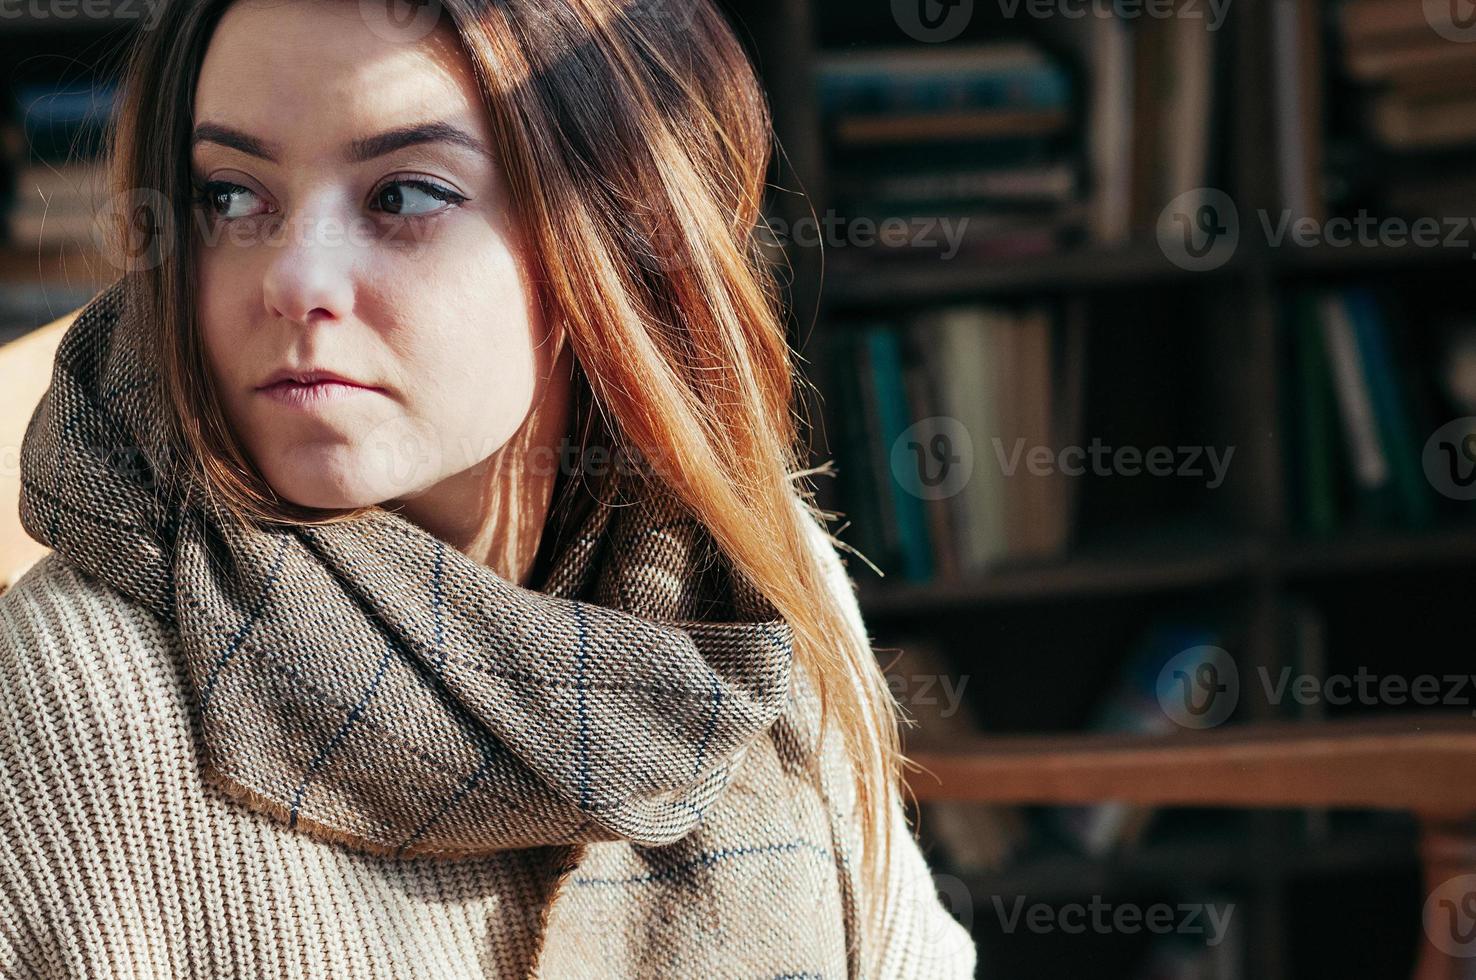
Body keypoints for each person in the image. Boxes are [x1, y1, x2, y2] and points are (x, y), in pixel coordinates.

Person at [0, 1, 978, 977]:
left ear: (609, 236)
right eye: (230, 197)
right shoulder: (70, 697)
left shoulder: (742, 581)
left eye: (407, 195)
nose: (294, 278)